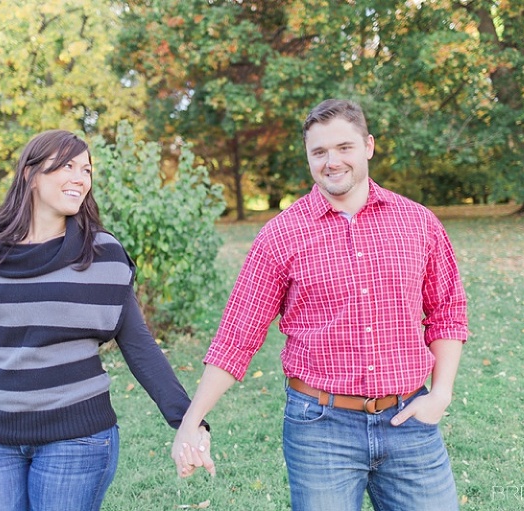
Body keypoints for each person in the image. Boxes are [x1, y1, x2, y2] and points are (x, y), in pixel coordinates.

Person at [172, 99, 468, 511]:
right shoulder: (280, 236)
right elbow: (237, 337)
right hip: (320, 429)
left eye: (344, 147)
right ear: (308, 157)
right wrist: (191, 421)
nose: (332, 161)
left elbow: (448, 311)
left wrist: (442, 394)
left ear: (368, 146)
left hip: (411, 422)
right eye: (319, 152)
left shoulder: (418, 222)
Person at [0, 129, 211, 510]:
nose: (80, 178)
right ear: (30, 175)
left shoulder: (103, 255)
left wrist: (188, 421)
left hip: (78, 442)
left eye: (86, 169)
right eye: (67, 166)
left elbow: (139, 347)